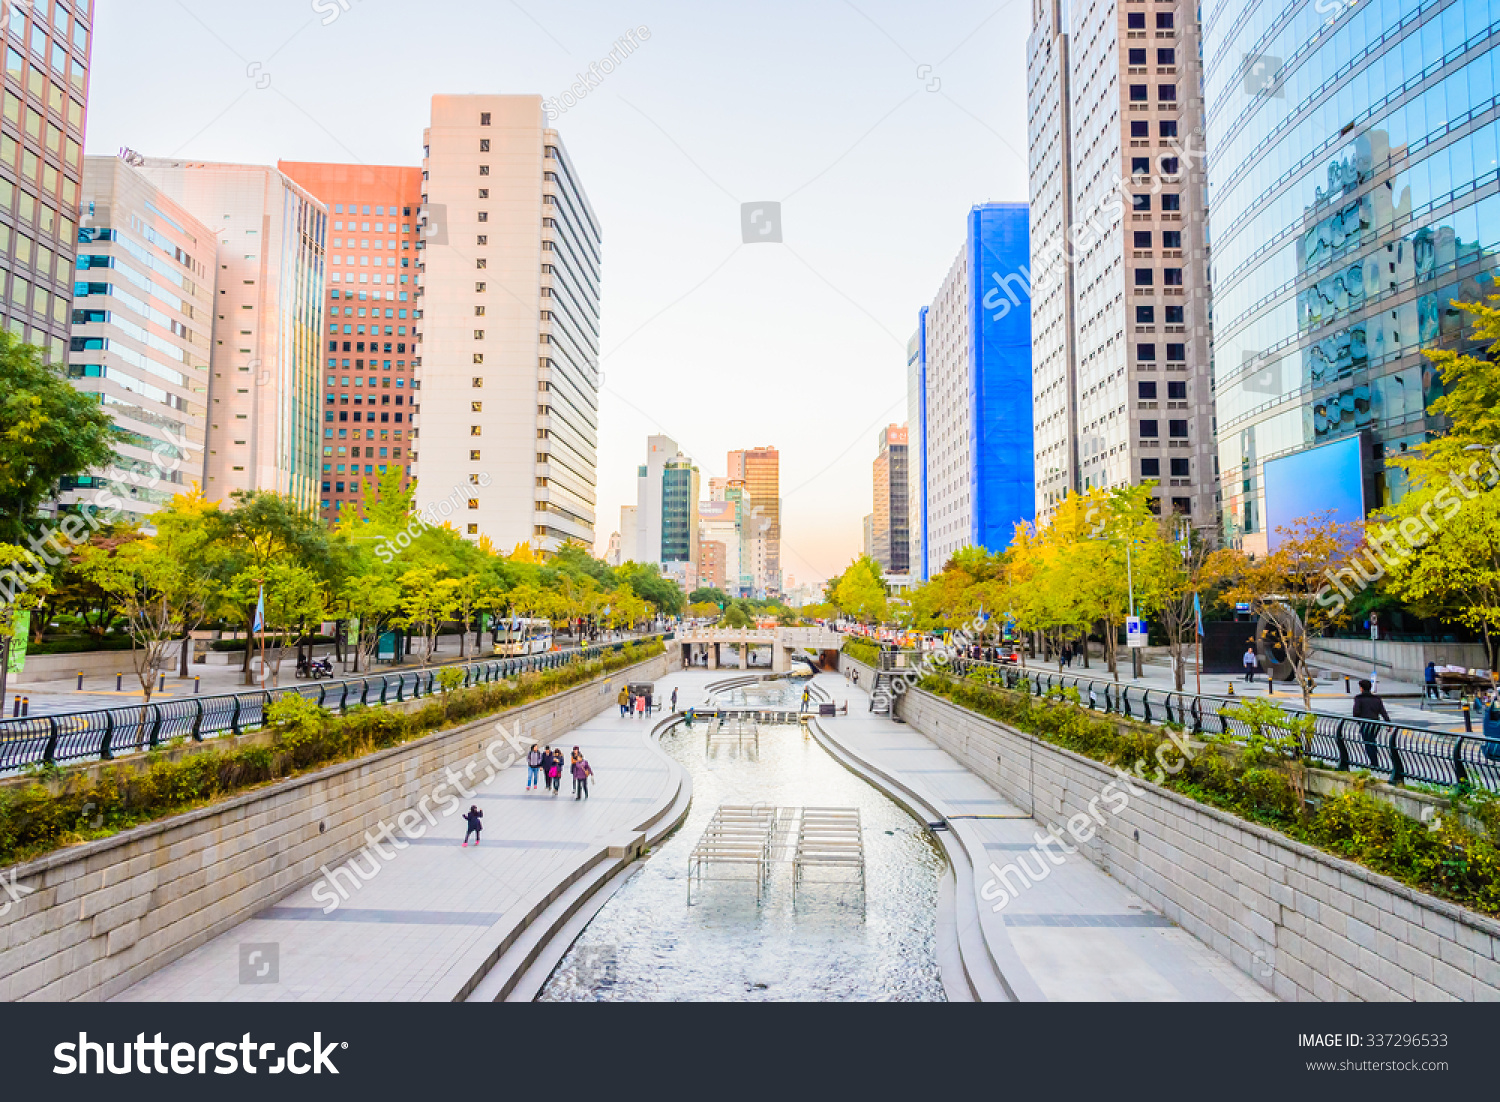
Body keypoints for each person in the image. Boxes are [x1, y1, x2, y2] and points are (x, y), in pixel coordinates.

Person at [1352, 678, 1391, 768]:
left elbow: (1356, 712)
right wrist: (1388, 722)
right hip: (1375, 724)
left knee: (1368, 742)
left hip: (1365, 724)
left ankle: (1374, 762)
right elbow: (1383, 711)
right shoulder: (1376, 699)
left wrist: (1358, 720)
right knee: (1372, 741)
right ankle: (1375, 760)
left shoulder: (1359, 698)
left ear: (1361, 688)